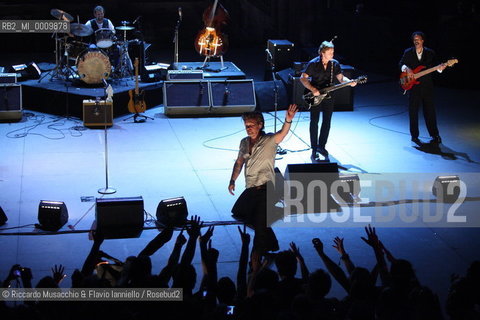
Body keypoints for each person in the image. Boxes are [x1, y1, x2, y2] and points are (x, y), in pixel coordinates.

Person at [228, 105, 298, 255]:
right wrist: (232, 180)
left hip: (267, 187)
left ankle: (257, 256)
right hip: (251, 187)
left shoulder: (269, 140)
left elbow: (283, 133)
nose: (248, 129)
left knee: (260, 224)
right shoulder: (244, 142)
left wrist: (288, 120)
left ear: (260, 125)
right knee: (239, 212)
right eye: (246, 126)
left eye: (251, 125)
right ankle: (272, 242)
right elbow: (239, 162)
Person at [300, 41, 357, 161]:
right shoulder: (313, 63)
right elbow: (303, 78)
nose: (332, 54)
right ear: (322, 53)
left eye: (333, 52)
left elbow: (341, 79)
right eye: (330, 52)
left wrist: (349, 82)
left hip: (329, 96)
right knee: (314, 122)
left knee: (327, 122)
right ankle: (314, 148)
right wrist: (312, 89)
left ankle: (322, 146)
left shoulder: (334, 64)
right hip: (315, 95)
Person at [399, 31, 446, 145]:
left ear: (422, 40)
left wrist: (441, 68)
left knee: (430, 111)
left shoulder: (430, 53)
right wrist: (407, 69)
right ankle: (414, 136)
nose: (416, 41)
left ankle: (435, 135)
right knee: (413, 112)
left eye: (418, 39)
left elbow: (437, 67)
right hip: (413, 87)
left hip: (427, 87)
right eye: (414, 39)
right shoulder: (408, 52)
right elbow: (401, 63)